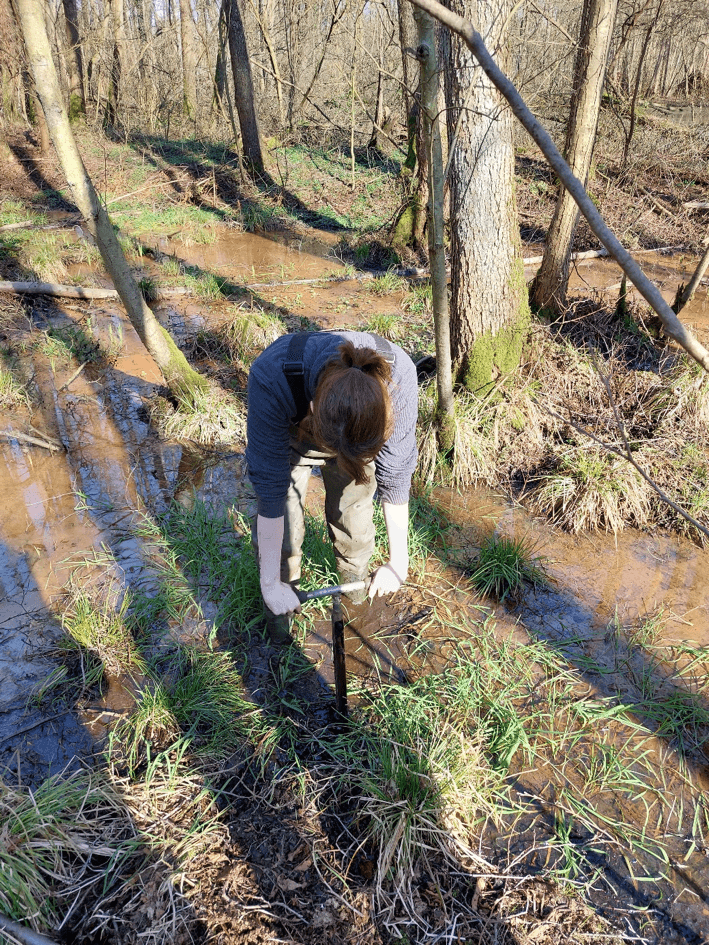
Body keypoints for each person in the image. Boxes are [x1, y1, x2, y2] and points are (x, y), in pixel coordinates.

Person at [245, 330, 418, 642]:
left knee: (354, 511)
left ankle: (356, 591)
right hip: (294, 435)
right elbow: (269, 489)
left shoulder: (399, 379)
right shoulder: (272, 377)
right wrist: (269, 583)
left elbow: (395, 478)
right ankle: (281, 610)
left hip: (361, 432)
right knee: (286, 520)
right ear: (312, 407)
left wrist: (398, 563)